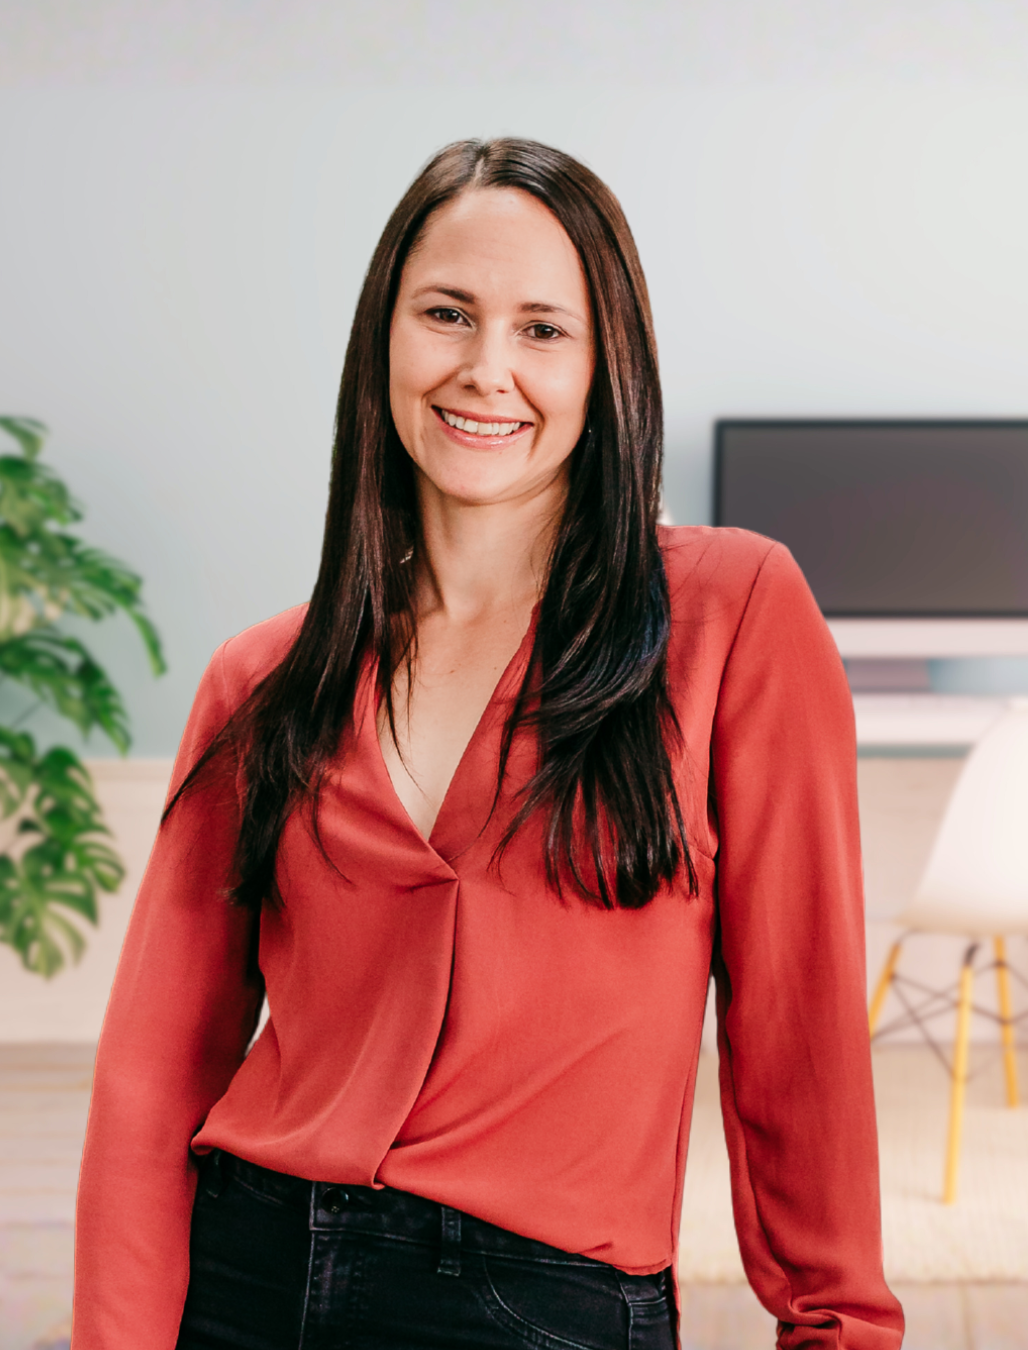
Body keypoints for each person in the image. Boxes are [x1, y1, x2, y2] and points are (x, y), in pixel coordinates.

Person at [73, 138, 904, 1350]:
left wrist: (838, 1328)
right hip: (245, 1279)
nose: (485, 369)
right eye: (448, 314)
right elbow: (152, 1084)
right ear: (385, 338)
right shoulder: (261, 681)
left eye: (542, 330)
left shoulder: (735, 614)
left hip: (543, 1307)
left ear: (607, 364)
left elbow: (801, 1043)